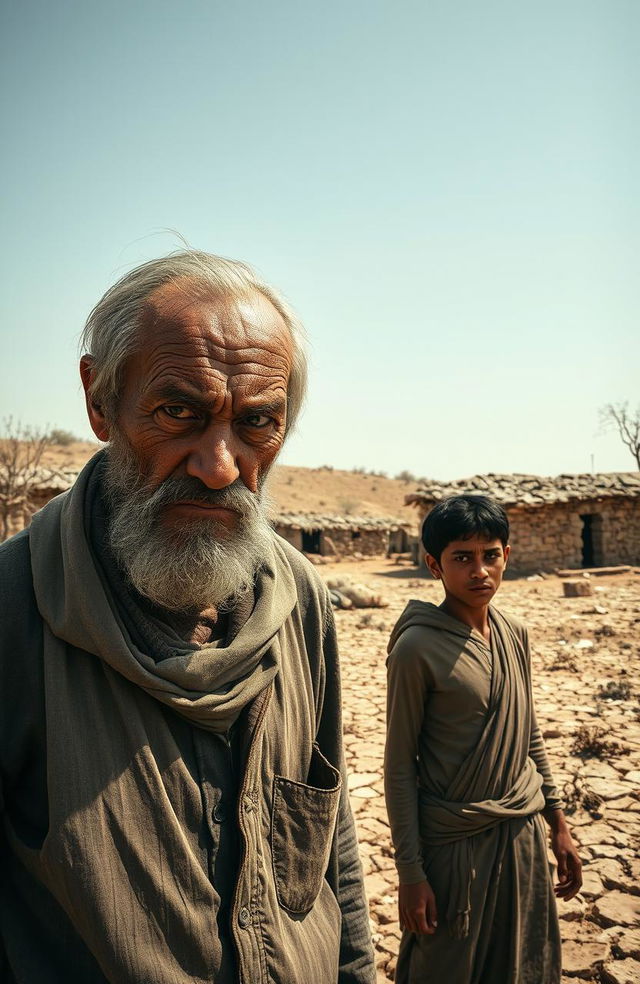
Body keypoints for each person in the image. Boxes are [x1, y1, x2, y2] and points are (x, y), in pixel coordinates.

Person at [0, 251, 375, 984]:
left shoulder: (300, 600)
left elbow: (331, 857)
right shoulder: (15, 613)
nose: (221, 465)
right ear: (99, 399)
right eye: (180, 412)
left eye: (257, 424)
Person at [384, 494, 582, 983]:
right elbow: (399, 767)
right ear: (434, 564)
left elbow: (527, 732)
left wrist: (558, 822)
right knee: (447, 967)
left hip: (522, 834)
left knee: (522, 963)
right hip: (455, 848)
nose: (480, 571)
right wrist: (410, 873)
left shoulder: (515, 633)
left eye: (490, 555)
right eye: (462, 557)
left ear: (506, 556)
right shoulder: (416, 648)